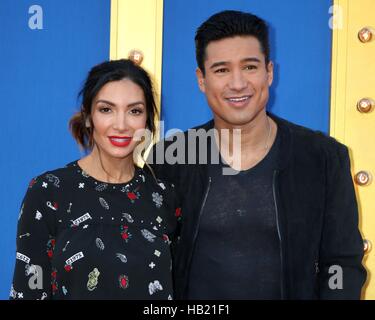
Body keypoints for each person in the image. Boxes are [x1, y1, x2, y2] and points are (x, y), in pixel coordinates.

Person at [148, 10, 367, 299]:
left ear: (270, 72)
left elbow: (342, 263)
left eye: (250, 67)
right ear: (201, 79)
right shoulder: (170, 158)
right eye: (221, 70)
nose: (238, 83)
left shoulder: (323, 158)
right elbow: (149, 260)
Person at [10, 59, 180, 300]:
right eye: (106, 109)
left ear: (147, 121)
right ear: (88, 117)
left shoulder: (165, 197)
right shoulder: (49, 192)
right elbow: (28, 292)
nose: (121, 125)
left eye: (134, 111)